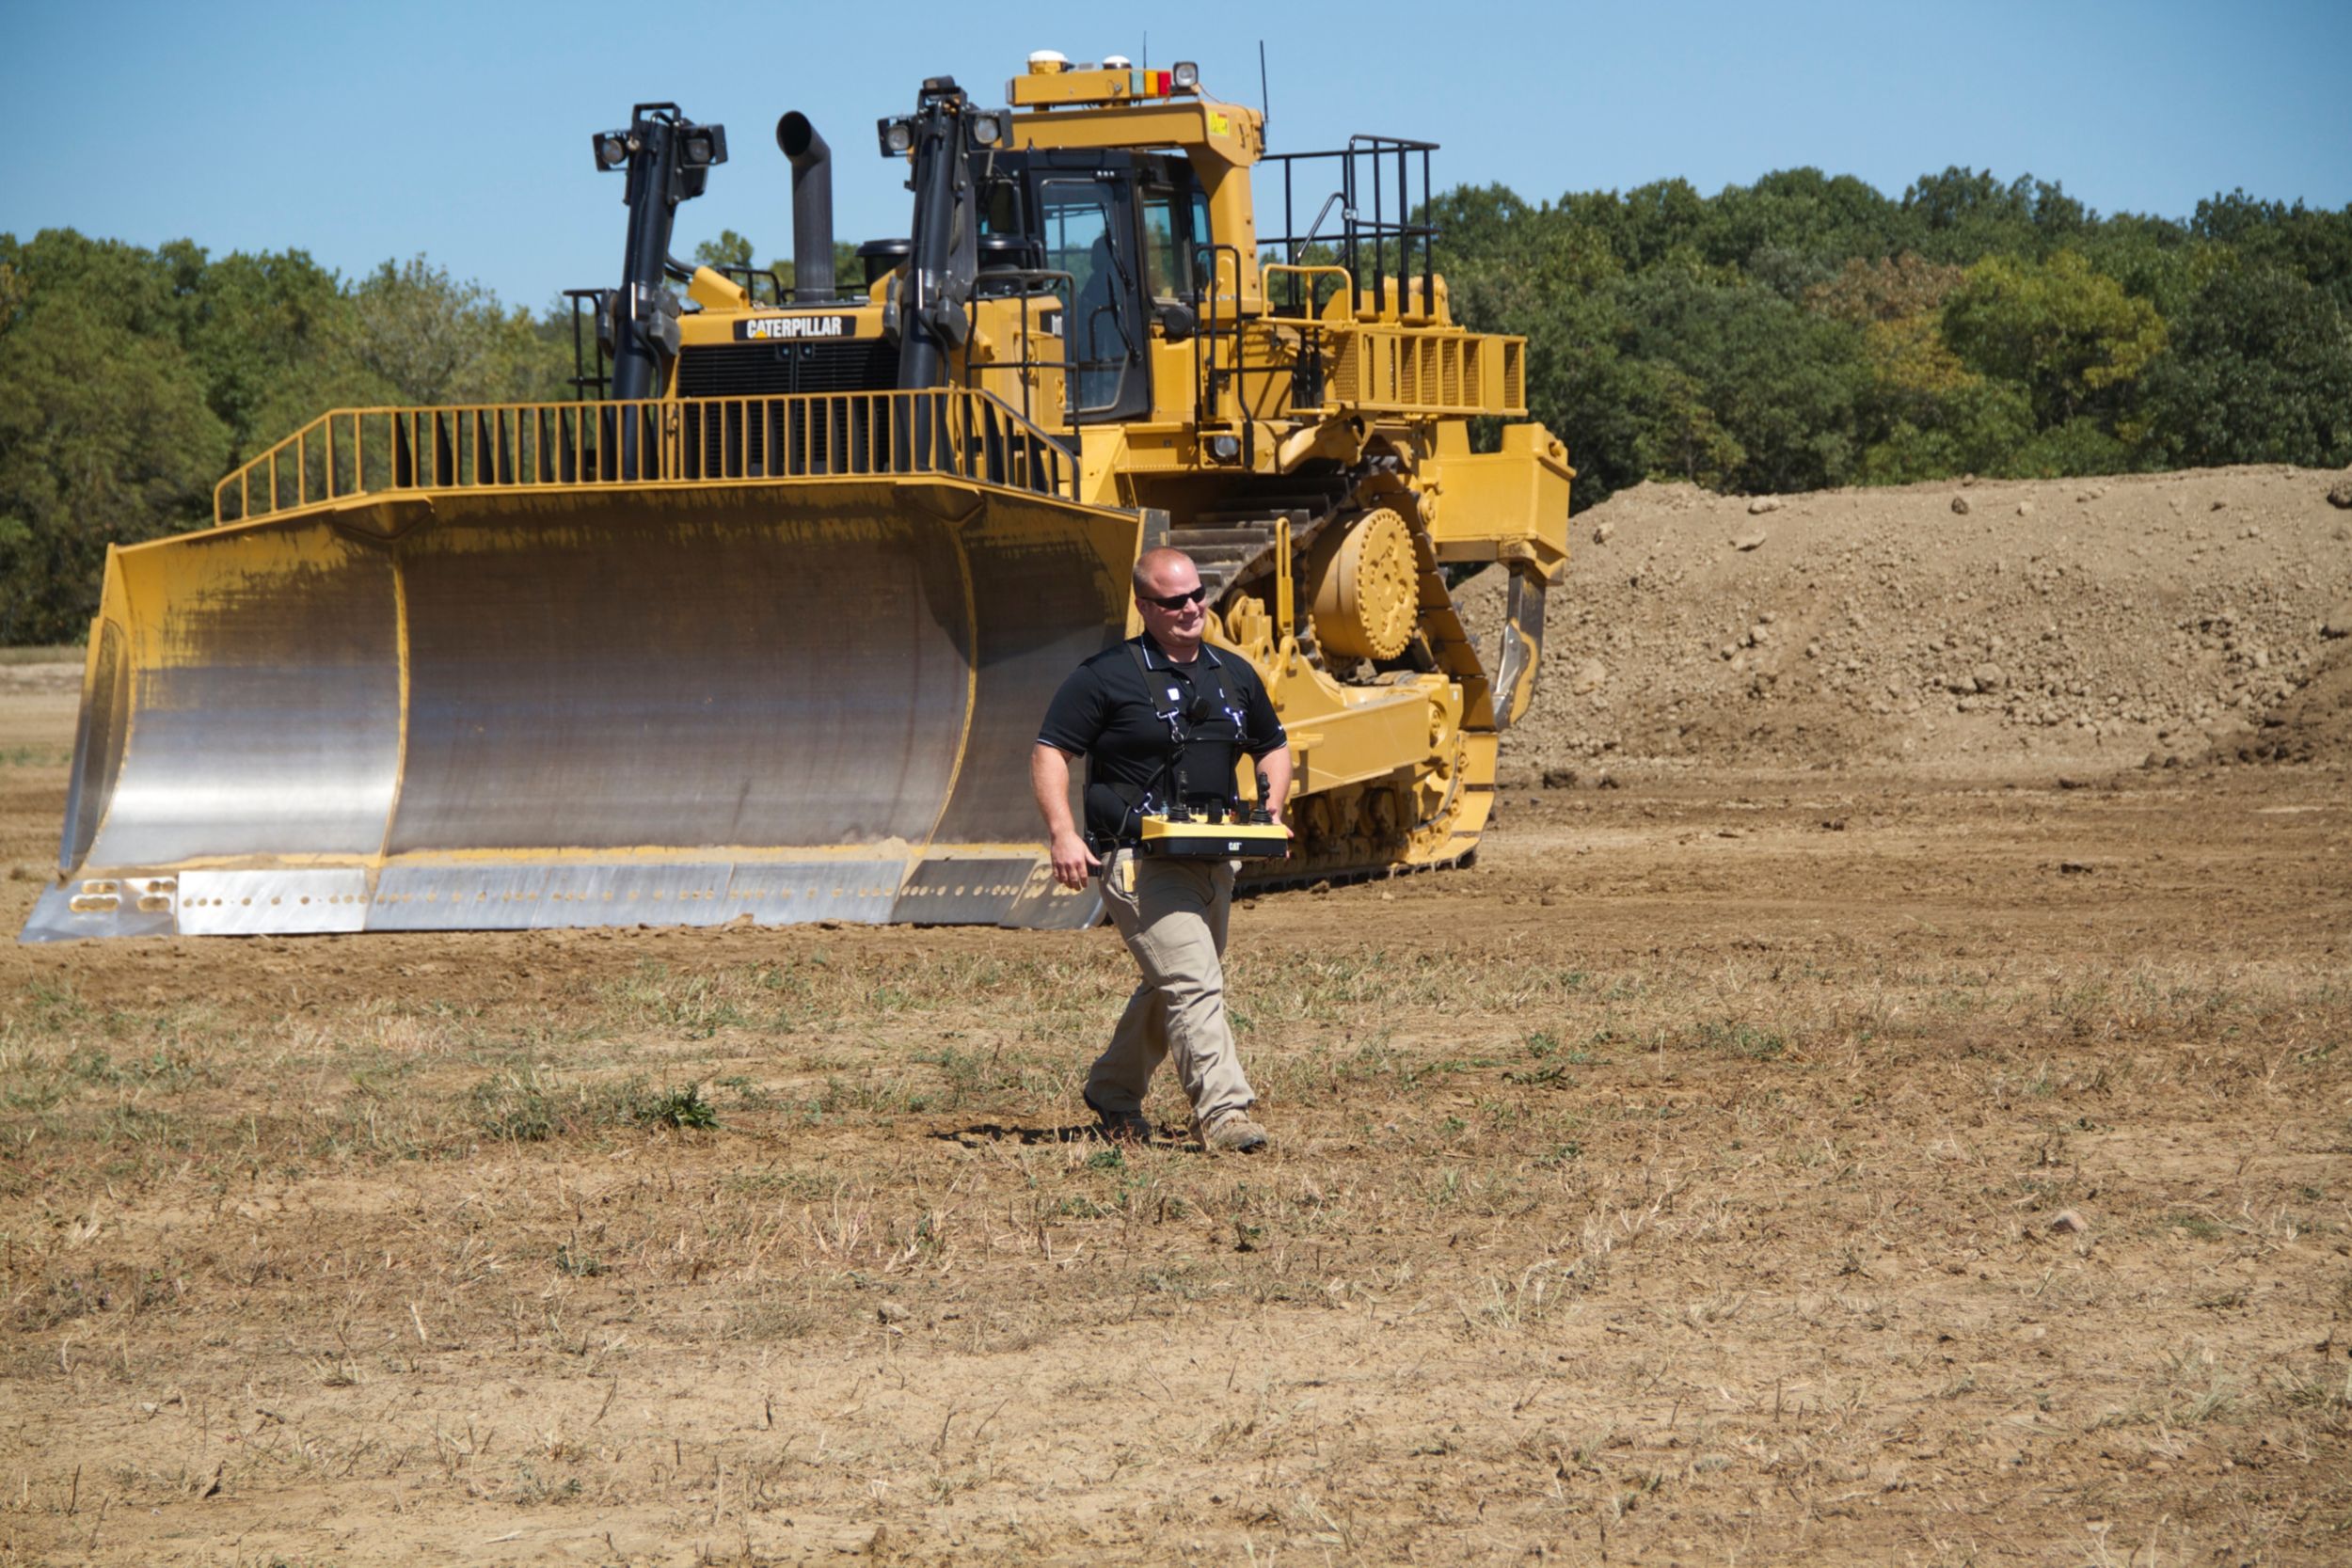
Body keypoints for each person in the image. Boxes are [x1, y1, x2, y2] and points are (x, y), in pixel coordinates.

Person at [1031, 546, 1293, 1153]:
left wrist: (1271, 807)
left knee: (1171, 984)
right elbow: (1051, 751)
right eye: (1173, 601)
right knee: (1195, 983)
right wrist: (1063, 833)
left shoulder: (1233, 672)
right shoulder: (1104, 675)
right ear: (1145, 606)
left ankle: (1112, 1090)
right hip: (1140, 861)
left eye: (1198, 596)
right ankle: (1225, 1114)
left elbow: (1272, 744)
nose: (1191, 608)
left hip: (1215, 857)